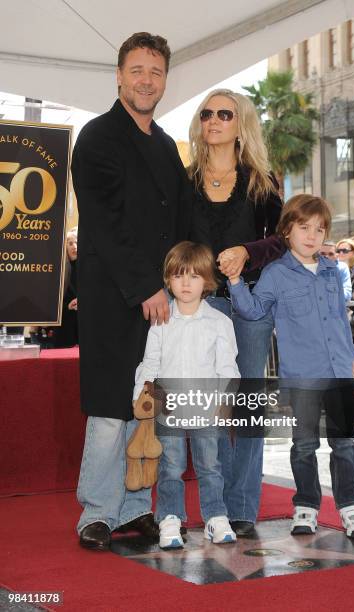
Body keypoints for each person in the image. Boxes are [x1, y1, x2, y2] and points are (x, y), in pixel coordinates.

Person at [71, 32, 191, 551]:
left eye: (156, 71)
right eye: (137, 70)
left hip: (160, 302)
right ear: (119, 75)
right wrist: (146, 285)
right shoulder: (96, 137)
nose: (147, 80)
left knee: (146, 404)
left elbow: (182, 222)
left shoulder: (166, 145)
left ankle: (135, 507)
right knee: (108, 409)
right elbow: (104, 222)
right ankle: (97, 512)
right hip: (115, 297)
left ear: (165, 79)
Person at [226, 194, 354, 539]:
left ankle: (352, 507)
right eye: (304, 228)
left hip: (338, 371)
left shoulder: (332, 271)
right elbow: (255, 310)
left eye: (320, 230)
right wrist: (234, 282)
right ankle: (306, 506)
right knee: (304, 445)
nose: (312, 236)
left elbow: (340, 319)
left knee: (345, 443)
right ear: (287, 230)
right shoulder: (275, 273)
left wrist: (350, 358)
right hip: (302, 375)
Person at [189, 88, 282, 535]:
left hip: (249, 306)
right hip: (199, 304)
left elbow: (282, 240)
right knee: (209, 407)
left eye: (224, 113)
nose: (213, 120)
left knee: (245, 407)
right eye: (207, 113)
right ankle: (215, 504)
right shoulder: (184, 180)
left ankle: (242, 506)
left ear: (240, 121)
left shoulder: (262, 180)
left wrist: (247, 251)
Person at [133, 241, 240, 549]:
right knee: (170, 466)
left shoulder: (220, 322)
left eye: (194, 276)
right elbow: (150, 361)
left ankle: (216, 517)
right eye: (179, 276)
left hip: (206, 408)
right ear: (168, 280)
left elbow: (227, 366)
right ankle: (169, 518)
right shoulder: (160, 321)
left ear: (207, 281)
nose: (185, 283)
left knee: (211, 466)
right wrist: (143, 393)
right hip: (168, 408)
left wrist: (226, 400)